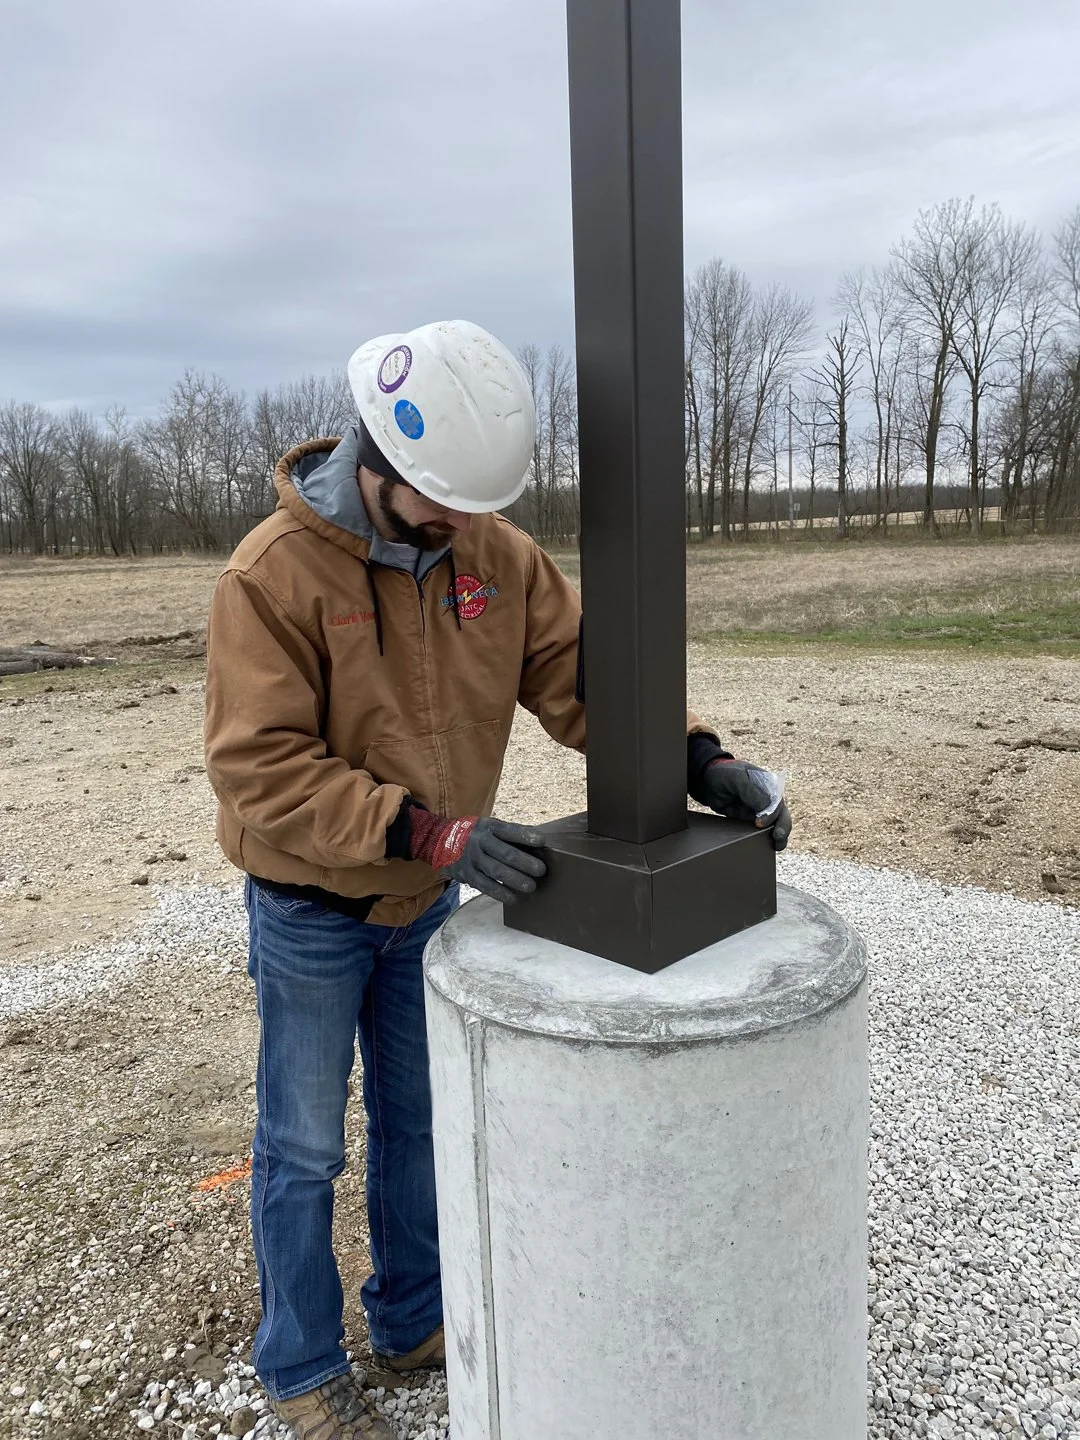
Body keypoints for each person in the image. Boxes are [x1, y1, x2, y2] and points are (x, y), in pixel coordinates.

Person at [203, 319, 791, 1439]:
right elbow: (257, 769)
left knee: (421, 1121)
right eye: (442, 504)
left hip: (426, 903)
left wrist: (700, 762)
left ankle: (412, 1316)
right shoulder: (269, 578)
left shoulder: (493, 557)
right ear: (374, 461)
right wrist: (426, 833)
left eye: (478, 507)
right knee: (303, 1144)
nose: (464, 527)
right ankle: (300, 1368)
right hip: (312, 911)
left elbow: (585, 682)